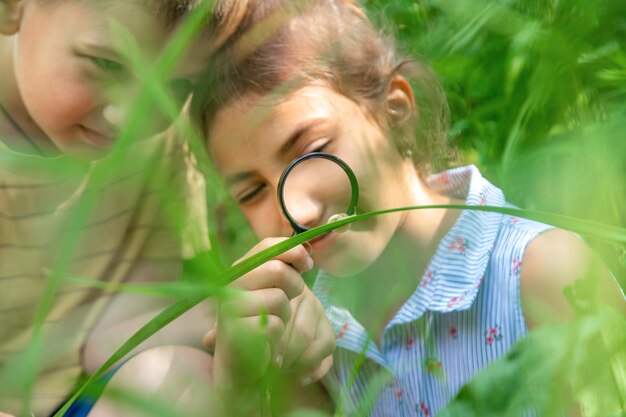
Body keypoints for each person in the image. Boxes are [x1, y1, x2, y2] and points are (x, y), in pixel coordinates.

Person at [193, 0, 626, 415]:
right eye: (251, 192)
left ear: (395, 113)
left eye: (313, 150)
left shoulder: (543, 275)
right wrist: (244, 394)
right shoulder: (306, 338)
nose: (298, 212)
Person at [0, 0, 253, 415]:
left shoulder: (158, 142)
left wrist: (233, 321)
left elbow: (137, 313)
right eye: (108, 65)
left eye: (175, 87)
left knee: (181, 376)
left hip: (95, 391)